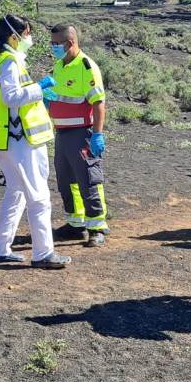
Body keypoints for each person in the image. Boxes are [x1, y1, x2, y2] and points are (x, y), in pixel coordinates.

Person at [0, 14, 72, 268]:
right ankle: (43, 253)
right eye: (26, 33)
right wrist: (39, 87)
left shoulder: (0, 60)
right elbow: (11, 97)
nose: (29, 38)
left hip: (5, 139)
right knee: (39, 197)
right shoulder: (10, 62)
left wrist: (36, 94)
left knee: (16, 193)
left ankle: (0, 249)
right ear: (14, 36)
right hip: (21, 140)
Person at [47, 24, 110, 246]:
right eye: (51, 43)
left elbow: (98, 104)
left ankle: (97, 227)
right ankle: (76, 224)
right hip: (62, 134)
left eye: (56, 44)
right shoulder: (59, 66)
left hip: (81, 134)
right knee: (67, 180)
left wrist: (97, 135)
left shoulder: (86, 67)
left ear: (70, 43)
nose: (53, 47)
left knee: (89, 179)